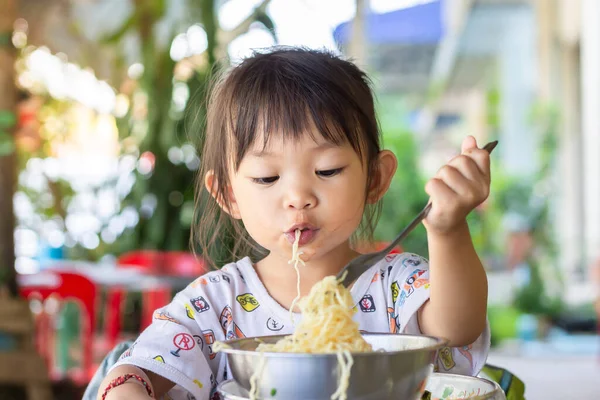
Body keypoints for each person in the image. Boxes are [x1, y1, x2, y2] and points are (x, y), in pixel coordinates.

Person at [97, 47, 491, 400]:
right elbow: (141, 370)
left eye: (328, 169)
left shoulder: (397, 285)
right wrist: (126, 387)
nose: (298, 196)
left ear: (375, 179)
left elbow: (458, 327)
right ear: (228, 194)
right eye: (267, 178)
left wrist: (448, 229)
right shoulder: (216, 304)